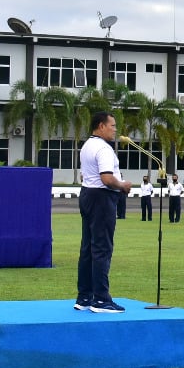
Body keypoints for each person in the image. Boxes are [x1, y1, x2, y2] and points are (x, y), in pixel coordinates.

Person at [75, 112, 132, 313]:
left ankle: (84, 296)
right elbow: (107, 178)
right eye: (112, 125)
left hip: (88, 194)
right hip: (101, 197)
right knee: (102, 248)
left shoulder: (87, 146)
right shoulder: (103, 148)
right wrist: (122, 185)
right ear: (101, 126)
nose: (115, 130)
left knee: (88, 248)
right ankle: (100, 299)